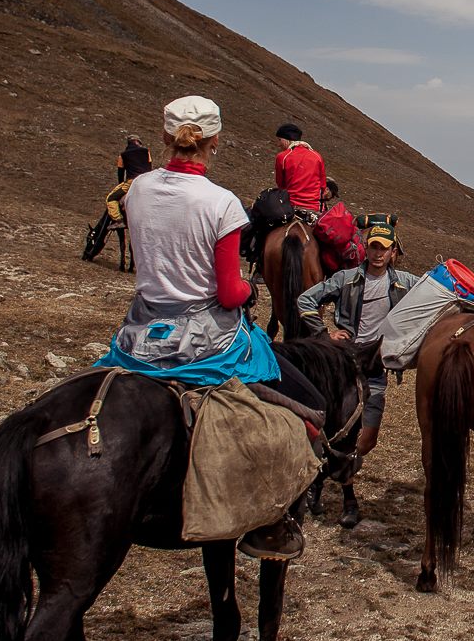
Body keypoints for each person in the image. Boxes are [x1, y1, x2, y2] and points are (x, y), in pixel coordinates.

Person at [93, 95, 320, 560]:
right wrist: (250, 291)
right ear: (215, 140)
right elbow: (229, 293)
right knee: (309, 409)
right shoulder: (222, 204)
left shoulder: (135, 191)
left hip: (139, 335)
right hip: (205, 340)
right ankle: (273, 519)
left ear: (164, 138)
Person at [298, 216, 417, 472]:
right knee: (334, 424)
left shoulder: (405, 282)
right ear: (367, 247)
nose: (378, 253)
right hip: (345, 360)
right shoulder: (345, 278)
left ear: (393, 251)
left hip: (375, 363)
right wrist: (324, 334)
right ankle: (327, 478)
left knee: (368, 440)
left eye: (384, 248)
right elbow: (306, 301)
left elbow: (432, 293)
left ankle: (336, 465)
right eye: (374, 246)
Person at [273, 123, 327, 219]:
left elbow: (281, 185)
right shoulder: (317, 156)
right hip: (314, 208)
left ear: (286, 140)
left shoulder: (282, 157)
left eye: (279, 140)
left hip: (291, 206)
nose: (278, 144)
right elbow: (322, 186)